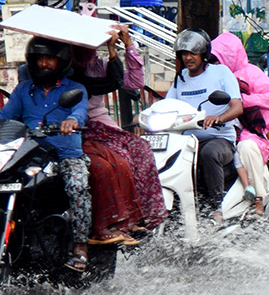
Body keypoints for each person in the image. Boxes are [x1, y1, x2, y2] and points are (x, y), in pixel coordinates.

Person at [0, 37, 92, 272]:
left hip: (65, 155)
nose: (43, 63)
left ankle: (80, 246)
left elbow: (80, 111)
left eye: (49, 58)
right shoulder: (23, 90)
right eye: (39, 58)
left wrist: (72, 120)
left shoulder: (74, 89)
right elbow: (6, 117)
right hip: (30, 153)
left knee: (77, 185)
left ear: (60, 61)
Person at [72, 23, 169, 244]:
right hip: (76, 127)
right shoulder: (64, 68)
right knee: (119, 158)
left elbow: (135, 82)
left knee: (141, 148)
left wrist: (127, 46)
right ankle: (118, 220)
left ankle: (138, 216)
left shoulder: (100, 66)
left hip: (99, 122)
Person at [164, 29, 243, 214]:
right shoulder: (180, 79)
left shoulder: (221, 72)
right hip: (187, 142)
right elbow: (167, 105)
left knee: (209, 153)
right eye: (184, 53)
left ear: (204, 54)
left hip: (219, 139)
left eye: (193, 53)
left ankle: (217, 209)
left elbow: (237, 107)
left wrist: (219, 118)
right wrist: (146, 115)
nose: (188, 58)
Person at [210, 32, 269, 218]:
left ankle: (258, 201)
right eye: (212, 59)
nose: (215, 63)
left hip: (250, 132)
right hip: (218, 131)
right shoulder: (210, 76)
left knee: (246, 147)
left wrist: (243, 101)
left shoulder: (250, 73)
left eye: (219, 59)